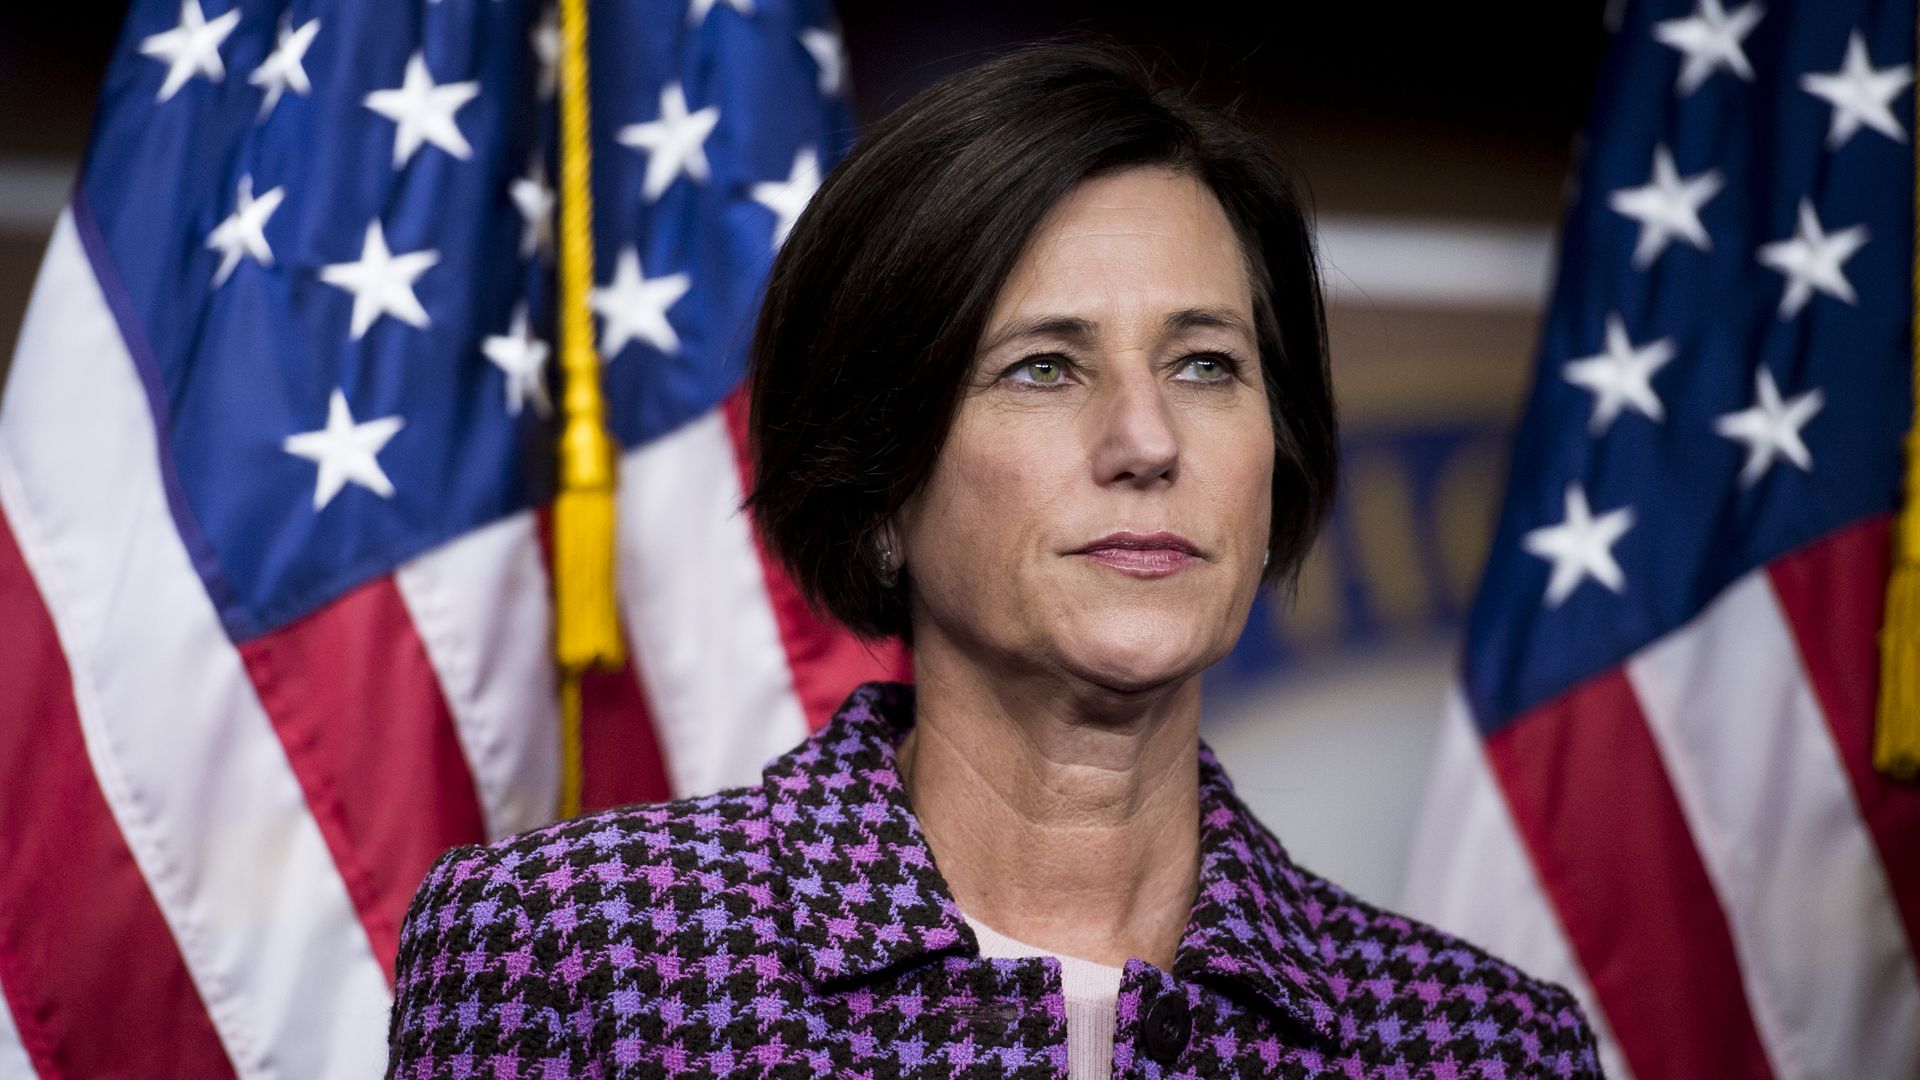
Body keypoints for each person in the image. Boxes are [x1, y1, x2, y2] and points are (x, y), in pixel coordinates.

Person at [386, 39, 1602, 1079]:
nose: (1146, 442)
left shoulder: (1481, 1044)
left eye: (1204, 365)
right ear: (877, 484)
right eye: (1042, 367)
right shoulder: (571, 959)